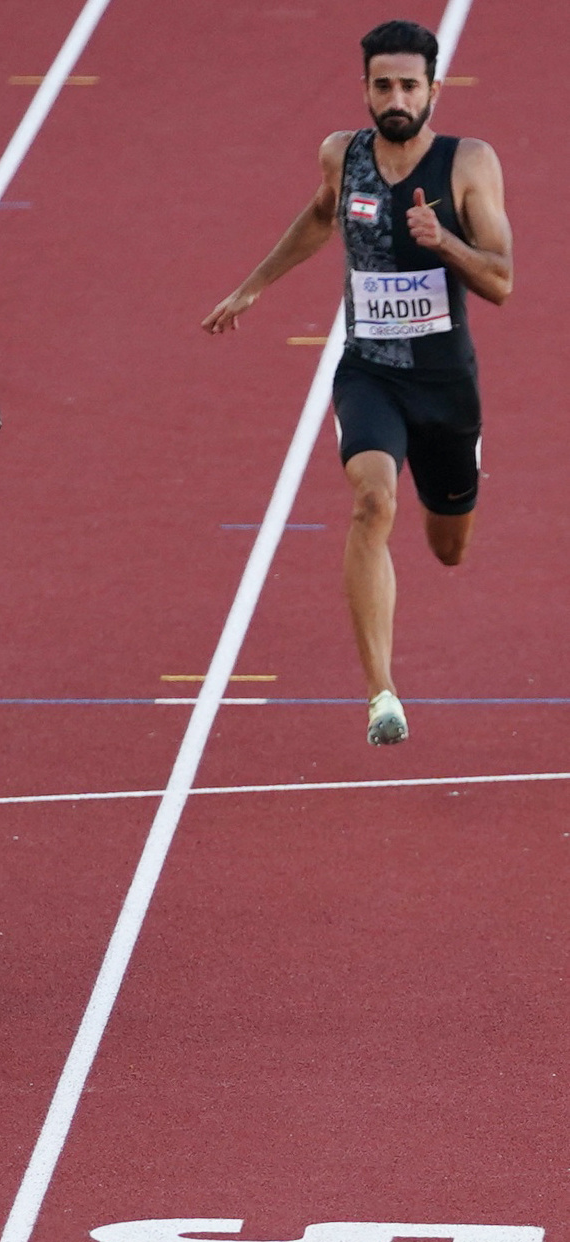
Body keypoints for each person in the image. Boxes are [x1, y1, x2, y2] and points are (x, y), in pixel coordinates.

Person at [202, 20, 513, 745]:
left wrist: (445, 244)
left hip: (445, 384)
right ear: (365, 90)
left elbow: (501, 281)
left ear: (434, 89)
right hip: (368, 371)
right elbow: (318, 218)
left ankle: (459, 474)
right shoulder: (342, 156)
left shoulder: (467, 164)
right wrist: (253, 287)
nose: (395, 97)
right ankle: (381, 694)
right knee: (371, 501)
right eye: (383, 85)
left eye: (409, 85)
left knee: (448, 547)